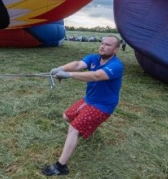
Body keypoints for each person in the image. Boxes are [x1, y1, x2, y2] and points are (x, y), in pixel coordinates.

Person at [42, 35, 124, 176]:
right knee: (66, 116)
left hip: (103, 106)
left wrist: (68, 75)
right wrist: (60, 68)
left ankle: (60, 166)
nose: (103, 46)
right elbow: (78, 64)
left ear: (116, 49)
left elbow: (96, 76)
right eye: (102, 43)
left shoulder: (116, 66)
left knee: (74, 128)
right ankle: (88, 128)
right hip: (89, 100)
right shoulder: (93, 58)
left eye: (108, 45)